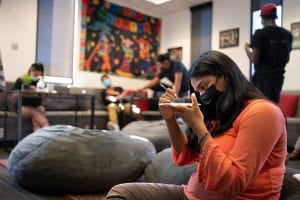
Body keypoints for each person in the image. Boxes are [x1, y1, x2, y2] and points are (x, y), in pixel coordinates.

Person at [106, 51, 287, 199]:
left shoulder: (262, 112)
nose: (202, 95)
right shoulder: (219, 110)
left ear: (225, 76)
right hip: (193, 194)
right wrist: (170, 119)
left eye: (205, 86)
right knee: (121, 194)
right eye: (197, 91)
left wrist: (199, 127)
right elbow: (184, 156)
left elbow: (232, 184)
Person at [245, 3, 293, 103]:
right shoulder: (287, 35)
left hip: (263, 78)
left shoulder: (260, 33)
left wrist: (246, 49)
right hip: (279, 77)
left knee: (261, 105)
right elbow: (287, 59)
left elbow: (254, 59)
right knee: (274, 106)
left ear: (263, 18)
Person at [11, 63, 49, 131]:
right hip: (22, 107)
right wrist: (26, 90)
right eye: (34, 75)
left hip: (36, 106)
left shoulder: (41, 83)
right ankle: (46, 126)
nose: (36, 77)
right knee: (36, 112)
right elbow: (13, 95)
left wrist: (41, 92)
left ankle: (37, 138)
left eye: (38, 75)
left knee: (40, 110)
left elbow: (44, 97)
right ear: (30, 72)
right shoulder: (22, 80)